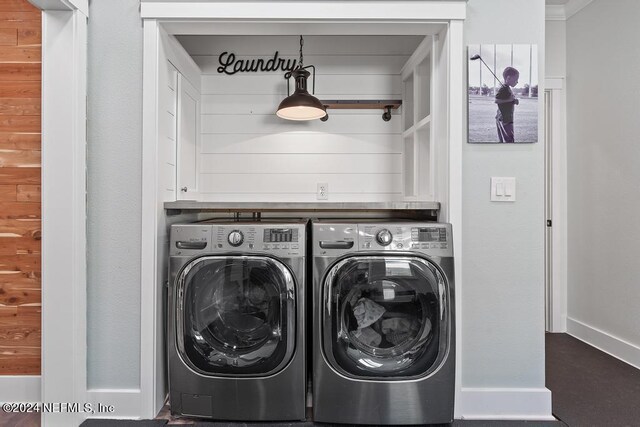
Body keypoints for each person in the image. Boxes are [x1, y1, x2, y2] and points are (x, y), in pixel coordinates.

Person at [495, 66, 520, 143]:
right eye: (516, 79)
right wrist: (510, 99)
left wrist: (514, 101)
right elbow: (497, 100)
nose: (517, 82)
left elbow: (506, 101)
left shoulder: (507, 88)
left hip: (504, 118)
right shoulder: (504, 88)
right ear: (508, 78)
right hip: (505, 119)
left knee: (505, 140)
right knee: (509, 141)